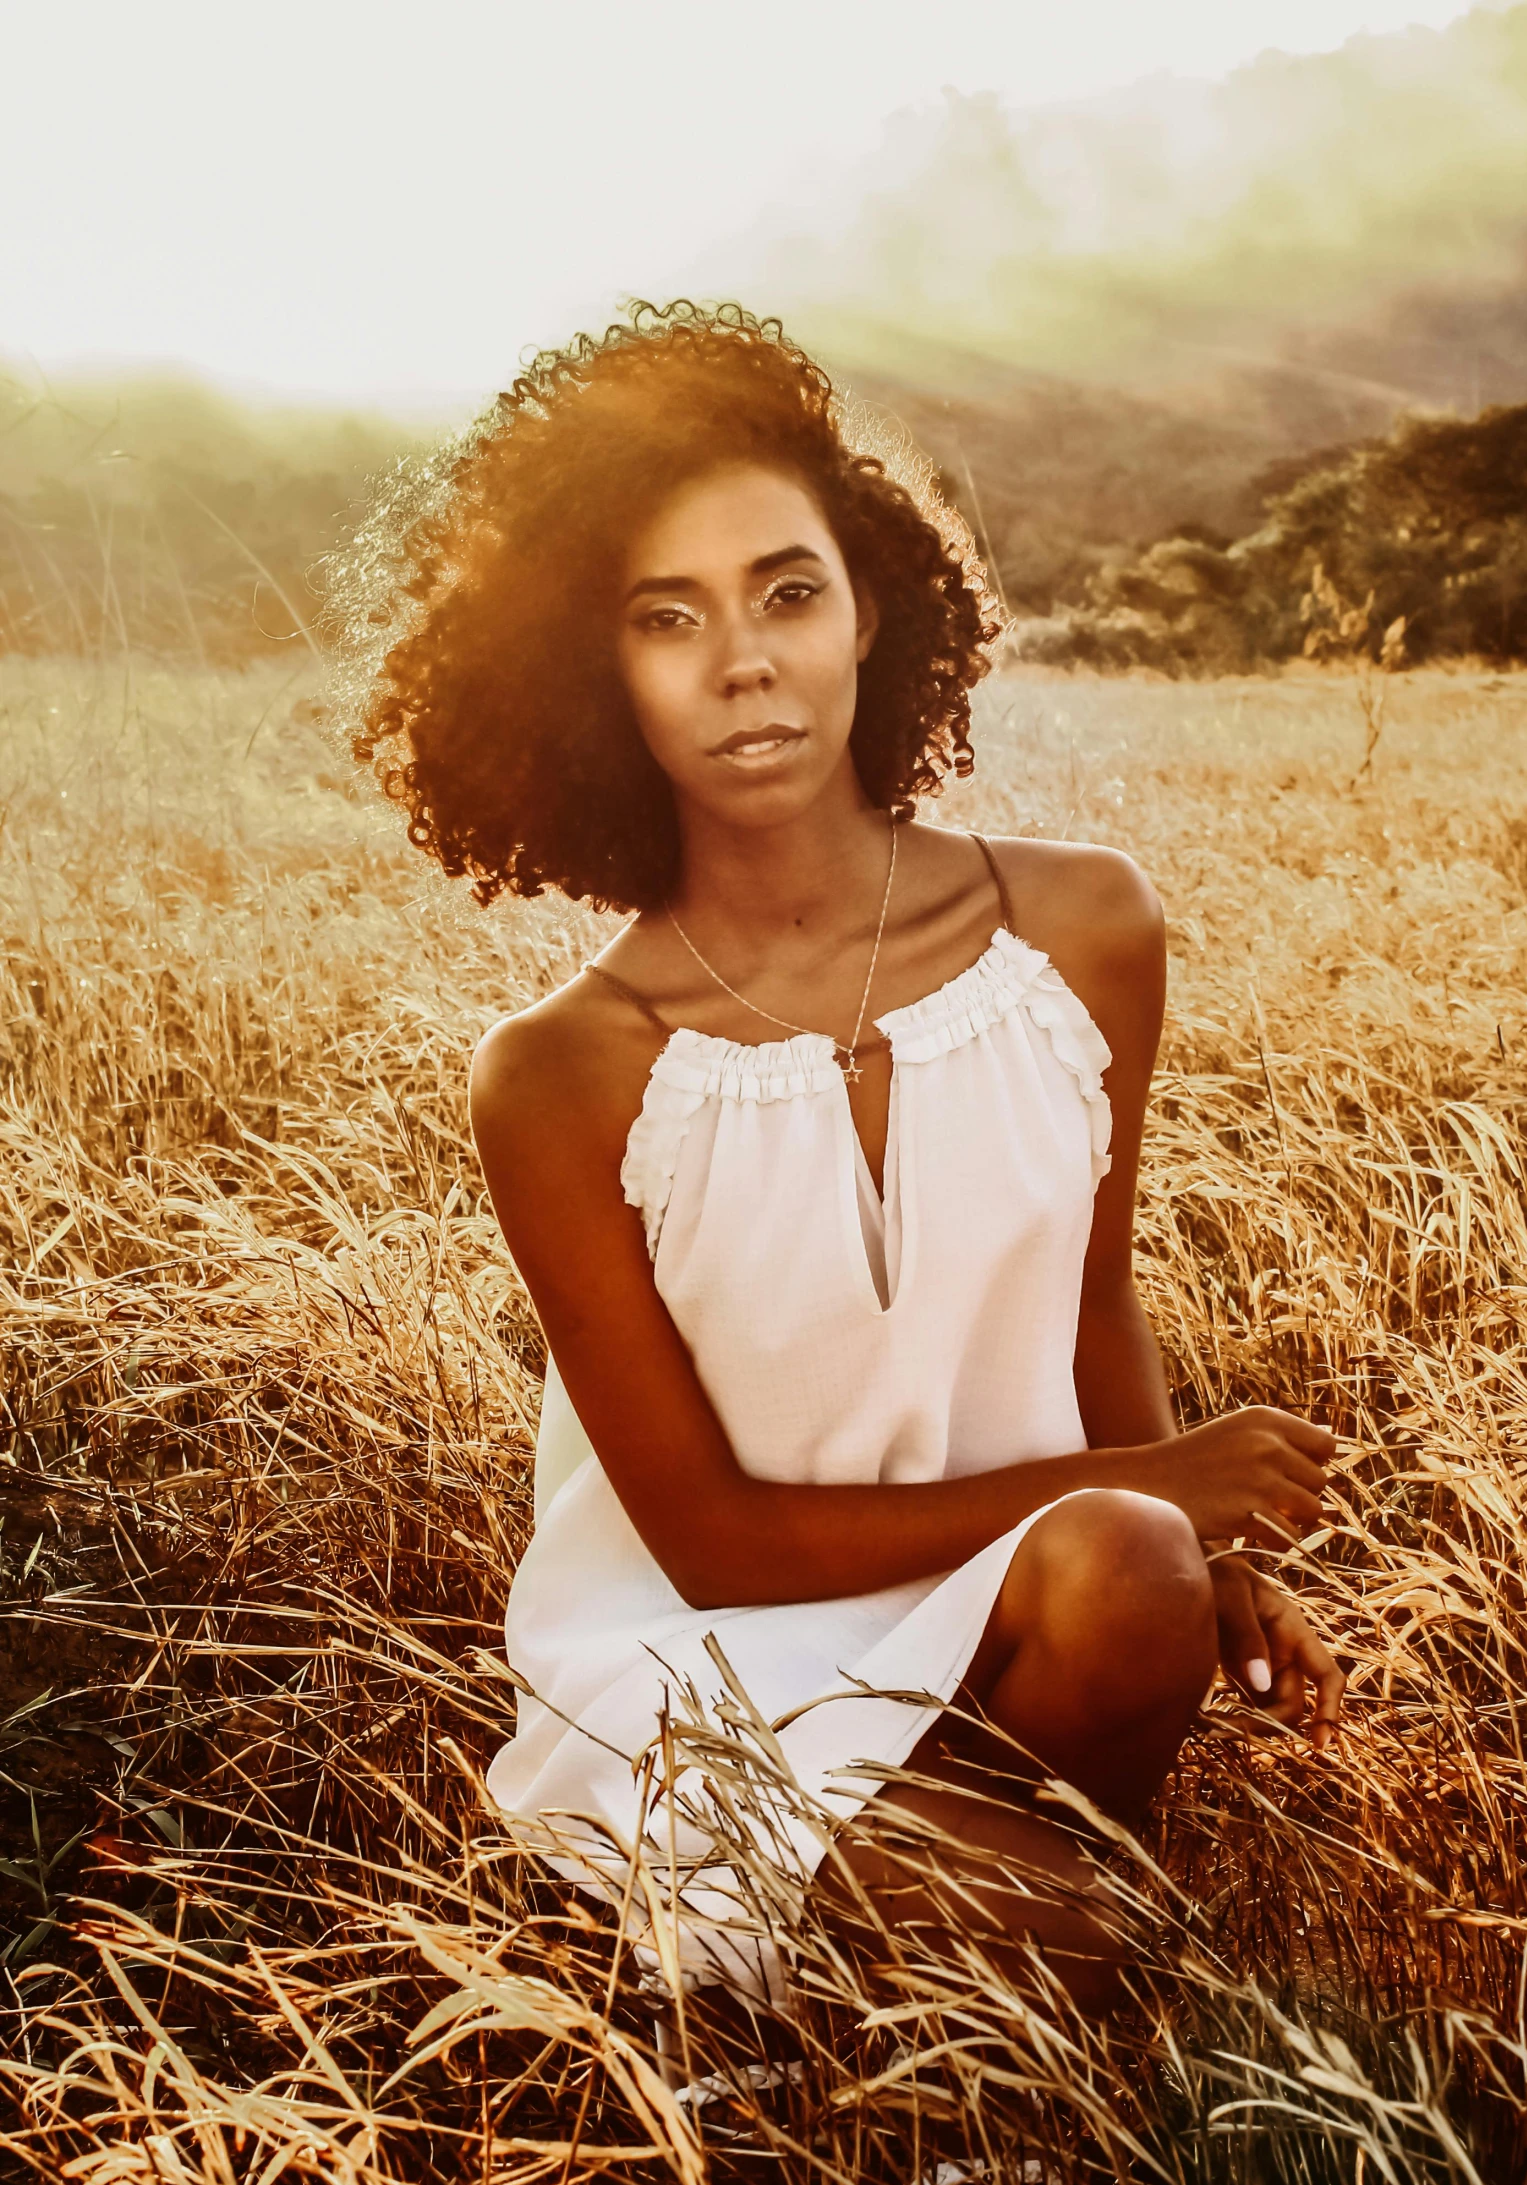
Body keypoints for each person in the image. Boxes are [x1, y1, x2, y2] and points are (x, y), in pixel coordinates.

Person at [349, 300, 1345, 2007]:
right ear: (593, 674)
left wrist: (1200, 1544)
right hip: (707, 1660)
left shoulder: (1084, 925)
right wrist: (1161, 1488)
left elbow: (1087, 1298)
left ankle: (985, 1912)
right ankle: (1009, 1948)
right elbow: (713, 1544)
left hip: (1026, 1611)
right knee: (1097, 1941)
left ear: (871, 606)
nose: (744, 661)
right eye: (667, 619)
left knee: (1131, 1568)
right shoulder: (560, 1073)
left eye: (785, 590)